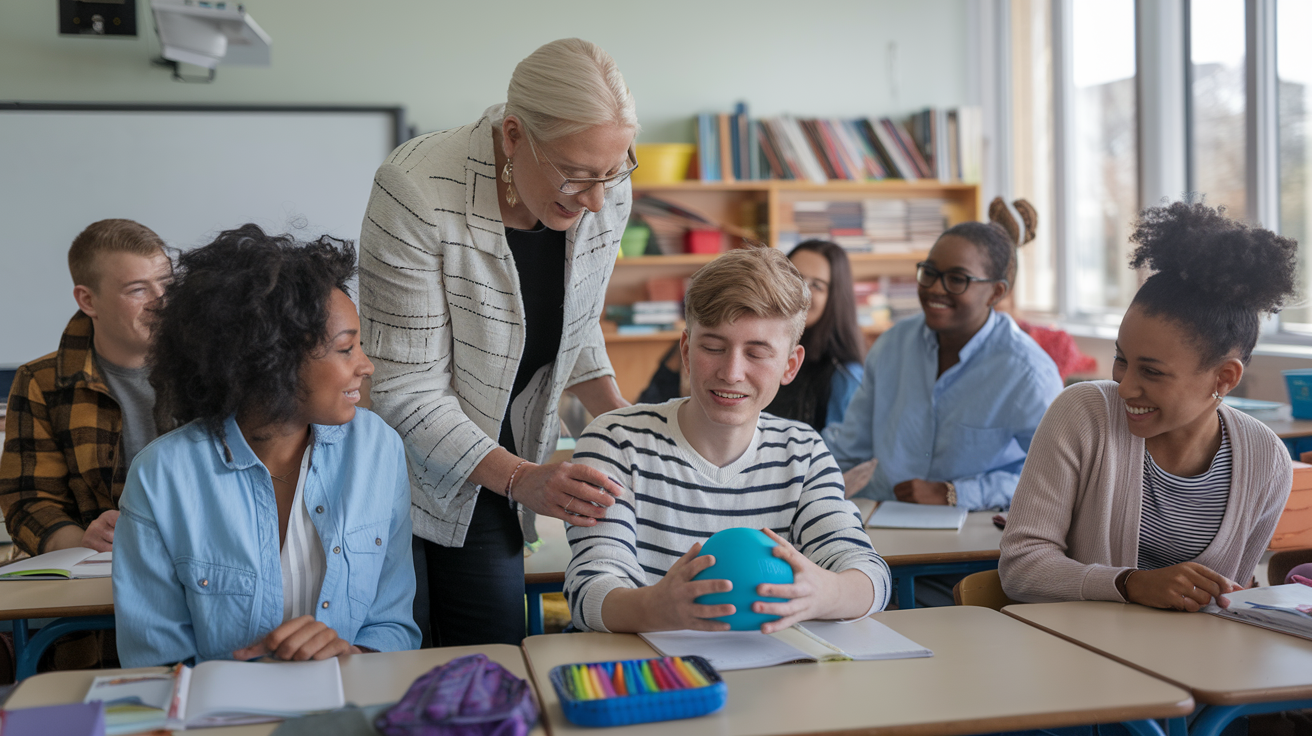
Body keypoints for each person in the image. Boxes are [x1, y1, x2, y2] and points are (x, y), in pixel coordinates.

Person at [359, 39, 637, 647]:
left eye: (612, 173)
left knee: (497, 650)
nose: (597, 200)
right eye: (577, 174)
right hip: (410, 461)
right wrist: (521, 478)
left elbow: (575, 322)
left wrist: (628, 424)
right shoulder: (416, 190)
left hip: (506, 447)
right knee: (421, 654)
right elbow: (403, 389)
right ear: (514, 135)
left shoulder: (605, 184)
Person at [113, 225, 419, 667]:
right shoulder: (163, 477)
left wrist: (352, 653)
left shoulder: (377, 450)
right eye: (346, 349)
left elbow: (393, 626)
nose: (365, 366)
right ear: (271, 359)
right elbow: (154, 663)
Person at [563, 247, 890, 634]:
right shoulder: (615, 441)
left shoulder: (803, 452)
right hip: (649, 673)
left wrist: (826, 592)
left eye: (757, 353)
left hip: (769, 668)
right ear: (686, 350)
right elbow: (589, 590)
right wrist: (656, 607)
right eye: (713, 348)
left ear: (790, 365)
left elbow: (870, 575)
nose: (732, 372)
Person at [1000, 202, 1297, 608]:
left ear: (1224, 378)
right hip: (1075, 654)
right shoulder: (1083, 415)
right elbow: (1021, 567)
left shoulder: (1268, 461)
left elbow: (1228, 596)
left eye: (1152, 372)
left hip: (1189, 666)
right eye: (1122, 359)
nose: (1124, 387)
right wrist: (1130, 584)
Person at [822, 202, 1062, 510]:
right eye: (930, 273)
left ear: (996, 292)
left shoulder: (1027, 372)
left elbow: (1056, 479)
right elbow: (850, 444)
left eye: (957, 279)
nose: (935, 288)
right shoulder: (893, 344)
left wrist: (956, 493)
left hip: (972, 527)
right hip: (885, 514)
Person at [1, 219, 171, 557]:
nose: (161, 300)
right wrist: (84, 542)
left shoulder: (214, 370)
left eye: (166, 282)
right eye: (138, 289)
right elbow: (29, 502)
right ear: (88, 301)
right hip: (95, 573)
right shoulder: (41, 382)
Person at [765, 239, 865, 432]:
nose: (801, 291)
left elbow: (840, 456)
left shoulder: (844, 376)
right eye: (794, 276)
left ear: (835, 299)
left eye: (817, 286)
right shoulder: (760, 349)